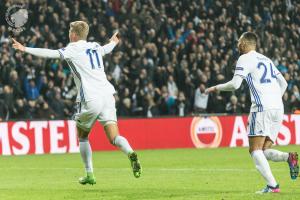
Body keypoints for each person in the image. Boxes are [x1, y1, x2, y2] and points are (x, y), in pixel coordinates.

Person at [12, 21, 142, 185]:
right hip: (108, 95)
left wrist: (25, 49)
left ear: (73, 34)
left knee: (82, 137)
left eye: (69, 31)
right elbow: (107, 48)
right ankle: (130, 152)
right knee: (114, 137)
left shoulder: (72, 49)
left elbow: (49, 53)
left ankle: (90, 174)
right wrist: (114, 41)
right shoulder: (94, 46)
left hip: (90, 98)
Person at [205, 32, 299, 194]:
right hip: (278, 107)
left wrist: (216, 87)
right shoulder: (266, 59)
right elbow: (283, 82)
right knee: (264, 151)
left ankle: (272, 186)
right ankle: (289, 157)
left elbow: (235, 85)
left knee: (254, 150)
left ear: (247, 43)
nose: (237, 45)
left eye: (240, 42)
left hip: (262, 108)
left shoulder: (245, 58)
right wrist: (275, 99)